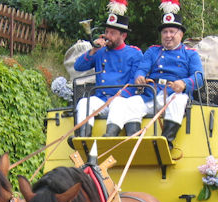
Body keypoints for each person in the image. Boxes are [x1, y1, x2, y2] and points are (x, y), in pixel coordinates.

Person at [113, 5, 203, 153]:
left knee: (179, 100)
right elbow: (142, 68)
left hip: (174, 94)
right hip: (152, 94)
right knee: (131, 103)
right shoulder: (153, 51)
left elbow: (199, 77)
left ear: (181, 35)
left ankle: (165, 143)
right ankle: (134, 144)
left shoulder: (191, 54)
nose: (168, 36)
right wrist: (139, 76)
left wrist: (184, 83)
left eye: (172, 32)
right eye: (165, 32)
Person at [73, 4, 143, 137]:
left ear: (123, 35)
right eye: (106, 32)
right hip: (101, 99)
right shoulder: (100, 52)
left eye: (112, 33)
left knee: (118, 103)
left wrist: (119, 95)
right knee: (84, 102)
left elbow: (134, 83)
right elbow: (78, 67)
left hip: (122, 100)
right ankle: (82, 137)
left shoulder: (134, 53)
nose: (107, 36)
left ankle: (109, 136)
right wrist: (93, 50)